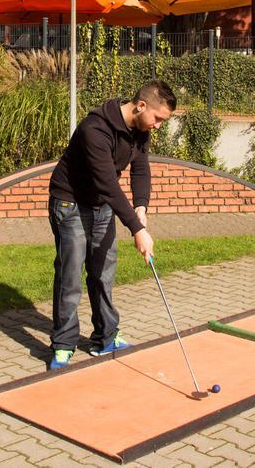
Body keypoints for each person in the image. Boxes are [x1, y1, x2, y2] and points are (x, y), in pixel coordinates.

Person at [46, 80, 177, 370]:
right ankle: (64, 345)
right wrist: (137, 229)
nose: (157, 126)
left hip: (101, 205)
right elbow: (108, 184)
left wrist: (141, 205)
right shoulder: (95, 129)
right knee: (70, 278)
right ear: (141, 106)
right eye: (157, 119)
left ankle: (105, 338)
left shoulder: (139, 131)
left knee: (103, 273)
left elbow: (140, 168)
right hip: (70, 203)